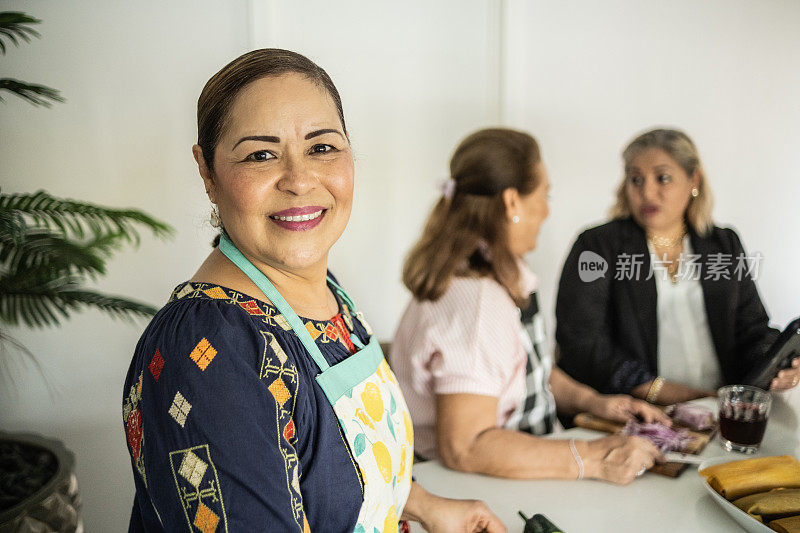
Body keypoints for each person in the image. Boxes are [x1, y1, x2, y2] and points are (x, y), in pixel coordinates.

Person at [122, 49, 505, 533]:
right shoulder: (209, 350)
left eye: (322, 147)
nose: (301, 180)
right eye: (261, 154)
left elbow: (336, 469)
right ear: (208, 172)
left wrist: (426, 506)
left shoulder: (325, 292)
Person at [391, 128, 667, 484]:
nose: (548, 210)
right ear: (511, 202)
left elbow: (522, 369)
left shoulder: (500, 273)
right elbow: (466, 446)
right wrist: (598, 457)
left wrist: (593, 402)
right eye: (545, 194)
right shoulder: (478, 304)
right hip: (483, 484)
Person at [555, 128, 800, 404]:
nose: (647, 192)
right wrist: (659, 390)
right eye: (636, 179)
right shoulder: (597, 246)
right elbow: (582, 343)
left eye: (663, 178)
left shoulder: (723, 244)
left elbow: (752, 330)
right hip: (638, 412)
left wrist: (779, 364)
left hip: (720, 408)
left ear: (693, 179)